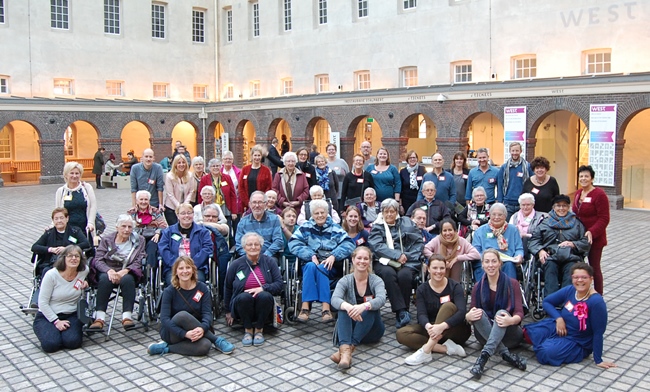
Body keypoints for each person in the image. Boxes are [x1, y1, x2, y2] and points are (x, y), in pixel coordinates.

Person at [523, 263, 617, 369]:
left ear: (591, 279)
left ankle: (550, 344)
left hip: (577, 340)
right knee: (529, 333)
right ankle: (548, 341)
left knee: (545, 352)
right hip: (561, 327)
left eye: (584, 277)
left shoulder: (596, 302)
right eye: (576, 277)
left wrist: (598, 359)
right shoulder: (570, 290)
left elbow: (598, 332)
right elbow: (547, 302)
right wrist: (558, 318)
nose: (580, 280)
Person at [147, 256, 235, 356]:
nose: (185, 271)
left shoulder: (202, 288)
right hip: (173, 332)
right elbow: (165, 319)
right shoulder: (169, 291)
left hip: (195, 329)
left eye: (188, 268)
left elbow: (207, 314)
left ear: (193, 270)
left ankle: (166, 348)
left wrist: (202, 328)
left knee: (205, 346)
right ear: (175, 272)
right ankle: (217, 340)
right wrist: (184, 334)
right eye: (181, 268)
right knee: (182, 315)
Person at [289, 199, 355, 323]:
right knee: (310, 266)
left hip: (331, 265)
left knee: (322, 267)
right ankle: (314, 308)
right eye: (316, 213)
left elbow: (349, 244)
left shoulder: (335, 228)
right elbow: (293, 243)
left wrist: (334, 255)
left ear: (327, 213)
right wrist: (311, 255)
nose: (320, 216)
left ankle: (314, 307)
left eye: (322, 212)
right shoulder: (305, 227)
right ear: (312, 215)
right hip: (310, 264)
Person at [399, 254, 471, 364]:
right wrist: (429, 327)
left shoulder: (455, 286)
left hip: (454, 329)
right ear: (428, 269)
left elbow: (462, 312)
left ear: (445, 269)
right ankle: (445, 348)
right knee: (401, 333)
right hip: (432, 328)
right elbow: (421, 314)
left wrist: (442, 327)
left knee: (448, 306)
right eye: (435, 268)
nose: (439, 271)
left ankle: (426, 350)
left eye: (442, 268)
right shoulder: (422, 289)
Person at [465, 249, 526, 379]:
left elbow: (519, 313)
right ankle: (505, 354)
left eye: (494, 261)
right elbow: (471, 311)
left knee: (502, 313)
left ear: (500, 263)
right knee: (478, 312)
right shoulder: (478, 286)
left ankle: (483, 357)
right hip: (485, 334)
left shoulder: (513, 284)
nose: (490, 265)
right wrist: (468, 317)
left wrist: (511, 320)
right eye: (487, 262)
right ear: (482, 265)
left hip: (510, 334)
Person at [368, 198, 424, 329]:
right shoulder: (377, 226)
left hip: (407, 261)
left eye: (392, 211)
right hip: (384, 261)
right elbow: (377, 247)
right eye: (386, 212)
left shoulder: (407, 223)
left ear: (397, 212)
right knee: (388, 274)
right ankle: (401, 312)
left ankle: (403, 311)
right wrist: (396, 255)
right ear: (382, 212)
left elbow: (418, 243)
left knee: (404, 276)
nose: (389, 215)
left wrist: (405, 256)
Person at [330, 246, 386, 369]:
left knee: (372, 308)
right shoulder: (345, 280)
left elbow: (382, 299)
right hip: (350, 329)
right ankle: (346, 353)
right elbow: (334, 299)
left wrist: (364, 306)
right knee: (343, 307)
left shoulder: (376, 280)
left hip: (372, 330)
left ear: (369, 261)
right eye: (359, 258)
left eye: (366, 258)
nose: (362, 261)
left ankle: (347, 349)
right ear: (353, 260)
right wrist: (349, 307)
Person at [224, 233, 283, 346]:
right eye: (249, 244)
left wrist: (262, 288)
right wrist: (227, 311)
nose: (253, 247)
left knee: (264, 296)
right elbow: (228, 287)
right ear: (244, 247)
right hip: (242, 305)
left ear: (261, 247)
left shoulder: (270, 262)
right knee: (244, 297)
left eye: (256, 244)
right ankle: (248, 329)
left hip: (264, 304)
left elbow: (279, 284)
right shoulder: (236, 264)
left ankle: (259, 329)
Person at [88, 215, 146, 331]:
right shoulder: (107, 240)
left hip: (129, 270)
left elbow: (140, 259)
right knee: (104, 279)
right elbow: (98, 259)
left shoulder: (139, 240)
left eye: (130, 227)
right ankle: (99, 318)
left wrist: (126, 271)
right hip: (108, 270)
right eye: (123, 226)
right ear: (117, 227)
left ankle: (127, 317)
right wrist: (109, 271)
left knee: (128, 279)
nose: (126, 230)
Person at [529, 195, 590, 296]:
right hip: (550, 256)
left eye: (564, 206)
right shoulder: (544, 223)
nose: (561, 208)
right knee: (550, 270)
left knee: (571, 271)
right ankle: (551, 301)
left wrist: (573, 244)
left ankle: (565, 301)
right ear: (553, 207)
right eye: (558, 206)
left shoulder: (577, 223)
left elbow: (585, 242)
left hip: (571, 257)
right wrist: (540, 251)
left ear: (568, 207)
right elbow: (533, 241)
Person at [33, 245, 89, 353]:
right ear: (63, 258)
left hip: (71, 313)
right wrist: (56, 321)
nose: (74, 259)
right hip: (48, 315)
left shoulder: (84, 271)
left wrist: (86, 282)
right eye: (70, 256)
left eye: (77, 256)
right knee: (51, 345)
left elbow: (87, 279)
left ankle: (64, 334)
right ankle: (52, 331)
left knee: (73, 342)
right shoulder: (51, 275)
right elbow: (42, 303)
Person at [31, 208, 90, 308]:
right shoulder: (49, 233)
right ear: (53, 221)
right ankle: (40, 300)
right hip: (52, 263)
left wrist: (67, 249)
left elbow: (86, 243)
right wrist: (50, 249)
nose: (59, 221)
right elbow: (35, 247)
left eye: (62, 218)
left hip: (71, 264)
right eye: (56, 219)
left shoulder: (75, 231)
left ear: (67, 218)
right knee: (46, 271)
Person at [572, 165, 610, 295]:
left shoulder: (599, 194)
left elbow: (604, 218)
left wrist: (592, 232)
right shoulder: (578, 193)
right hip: (579, 237)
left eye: (586, 176)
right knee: (578, 268)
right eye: (581, 176)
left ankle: (598, 296)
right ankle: (581, 293)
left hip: (595, 238)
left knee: (594, 268)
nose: (583, 179)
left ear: (592, 178)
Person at [158, 203, 213, 285]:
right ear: (177, 215)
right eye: (183, 213)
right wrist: (177, 265)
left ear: (193, 214)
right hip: (174, 267)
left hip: (196, 267)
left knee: (199, 282)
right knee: (171, 282)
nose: (186, 216)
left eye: (189, 213)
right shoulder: (168, 231)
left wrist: (191, 265)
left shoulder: (202, 231)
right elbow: (163, 249)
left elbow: (207, 248)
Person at [471, 203, 524, 281]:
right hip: (486, 261)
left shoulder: (513, 230)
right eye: (494, 214)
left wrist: (519, 256)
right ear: (489, 215)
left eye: (500, 215)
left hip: (506, 261)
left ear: (505, 216)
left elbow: (519, 248)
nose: (496, 217)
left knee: (509, 265)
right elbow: (476, 250)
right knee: (484, 267)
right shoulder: (480, 231)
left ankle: (509, 291)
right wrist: (489, 258)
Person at [235, 191, 284, 258]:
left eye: (260, 202)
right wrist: (250, 256)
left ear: (265, 204)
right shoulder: (243, 222)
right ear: (250, 204)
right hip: (248, 257)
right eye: (254, 202)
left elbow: (278, 241)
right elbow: (239, 244)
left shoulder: (274, 219)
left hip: (268, 257)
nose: (257, 205)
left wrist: (266, 254)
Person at [128, 190, 167, 272]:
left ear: (149, 201)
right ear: (137, 200)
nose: (143, 202)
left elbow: (163, 225)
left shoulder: (155, 211)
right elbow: (128, 226)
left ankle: (150, 270)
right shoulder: (131, 212)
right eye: (141, 199)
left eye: (146, 199)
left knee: (152, 246)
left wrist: (157, 232)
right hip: (137, 237)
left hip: (152, 236)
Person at [55, 162, 97, 235]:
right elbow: (57, 211)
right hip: (68, 229)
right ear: (66, 175)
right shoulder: (61, 191)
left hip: (85, 228)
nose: (74, 176)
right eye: (71, 173)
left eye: (77, 173)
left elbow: (93, 206)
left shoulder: (87, 188)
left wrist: (91, 223)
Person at [497, 142, 531, 220]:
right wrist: (500, 201)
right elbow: (500, 185)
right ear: (510, 151)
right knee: (507, 227)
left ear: (521, 151)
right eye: (513, 151)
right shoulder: (504, 167)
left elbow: (531, 183)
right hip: (508, 204)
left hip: (523, 204)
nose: (515, 153)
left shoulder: (527, 166)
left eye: (517, 151)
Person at [509, 192, 546, 258]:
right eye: (523, 205)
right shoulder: (514, 216)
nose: (525, 207)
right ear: (520, 205)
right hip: (515, 244)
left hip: (533, 244)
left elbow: (540, 235)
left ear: (533, 205)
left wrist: (525, 235)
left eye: (528, 205)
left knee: (525, 239)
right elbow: (510, 232)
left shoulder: (540, 217)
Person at [164, 154, 197, 226]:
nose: (181, 164)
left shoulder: (190, 175)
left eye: (183, 162)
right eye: (179, 163)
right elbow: (170, 194)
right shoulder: (169, 176)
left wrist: (185, 205)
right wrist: (179, 206)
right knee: (175, 229)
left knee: (185, 228)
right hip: (171, 208)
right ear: (175, 164)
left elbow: (191, 191)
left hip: (186, 207)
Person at [239, 145, 273, 213]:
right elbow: (241, 187)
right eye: (255, 155)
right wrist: (248, 203)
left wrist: (261, 202)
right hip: (247, 204)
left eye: (259, 155)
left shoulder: (266, 170)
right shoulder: (245, 169)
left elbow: (269, 187)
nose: (257, 158)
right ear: (251, 156)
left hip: (261, 205)